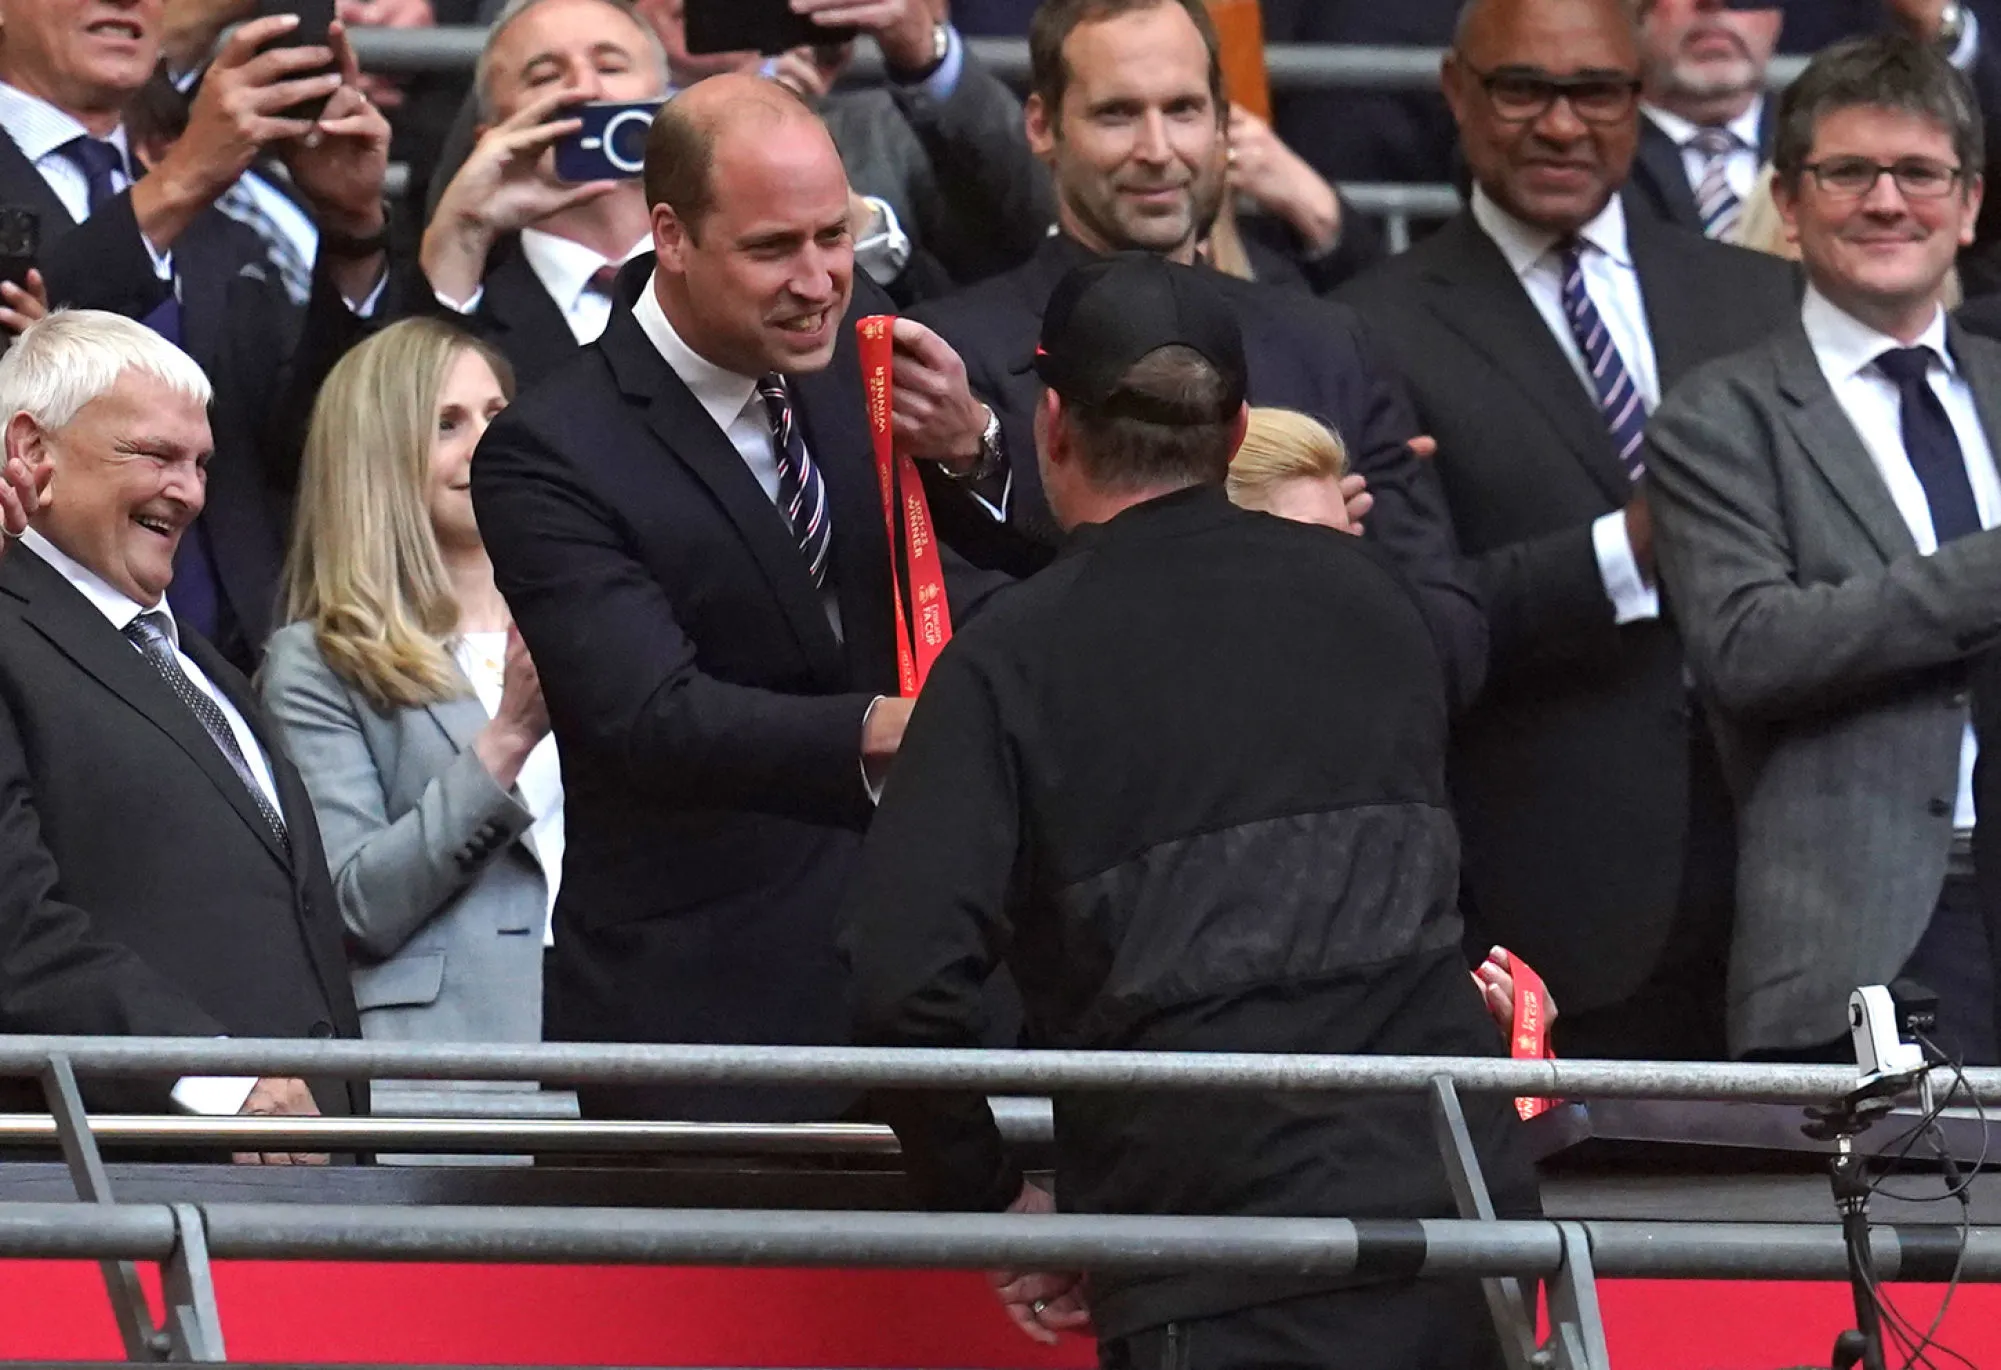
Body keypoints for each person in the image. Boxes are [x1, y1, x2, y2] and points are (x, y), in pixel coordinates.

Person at [845, 253, 1538, 1370]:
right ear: (1238, 430)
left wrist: (991, 1197)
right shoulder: (1381, 606)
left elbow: (900, 974)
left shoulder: (1009, 660)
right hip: (1457, 1223)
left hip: (1204, 1248)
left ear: (1053, 423)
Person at [470, 74, 1006, 1121]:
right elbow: (648, 716)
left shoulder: (873, 353)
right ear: (669, 236)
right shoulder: (551, 448)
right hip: (702, 1007)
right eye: (774, 248)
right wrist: (902, 728)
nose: (818, 280)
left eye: (833, 237)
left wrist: (975, 451)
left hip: (930, 981)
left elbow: (1019, 556)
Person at [1337, 0, 1798, 1059]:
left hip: (1792, 885)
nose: (1560, 125)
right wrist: (1630, 547)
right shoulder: (1369, 327)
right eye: (1522, 89)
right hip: (1552, 899)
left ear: (1640, 99)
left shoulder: (1761, 299)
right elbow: (1410, 619)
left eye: (1594, 91)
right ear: (1457, 91)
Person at [910, 0, 1489, 713]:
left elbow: (1454, 646)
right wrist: (1279, 557)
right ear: (1041, 126)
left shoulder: (1328, 342)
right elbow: (981, 658)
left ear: (1222, 123)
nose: (1157, 149)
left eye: (1182, 110)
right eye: (1117, 114)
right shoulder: (956, 361)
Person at [1648, 33, 2001, 1062]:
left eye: (1920, 173)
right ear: (1790, 205)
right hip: (1875, 935)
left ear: (1969, 204)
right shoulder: (1718, 414)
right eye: (1849, 171)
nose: (1887, 201)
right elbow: (1750, 647)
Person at [0, 310, 362, 1142]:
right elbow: (16, 928)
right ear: (29, 449)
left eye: (201, 464)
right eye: (154, 455)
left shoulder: (205, 666)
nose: (190, 491)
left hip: (306, 1174)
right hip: (121, 1183)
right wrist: (217, 1082)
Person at [0, 0, 395, 672]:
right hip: (37, 658)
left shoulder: (219, 224)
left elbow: (304, 441)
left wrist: (352, 233)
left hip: (243, 669)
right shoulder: (189, 186)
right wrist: (184, 179)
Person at [259, 319, 560, 1105]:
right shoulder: (317, 660)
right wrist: (507, 742)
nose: (488, 443)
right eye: (447, 424)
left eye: (498, 414)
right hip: (445, 1069)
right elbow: (351, 903)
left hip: (624, 1028)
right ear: (376, 460)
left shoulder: (595, 617)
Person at [1629, 0, 1982, 243]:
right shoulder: (1594, 157)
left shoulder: (1837, 136)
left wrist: (1936, 24)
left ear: (1780, 14)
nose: (1714, 3)